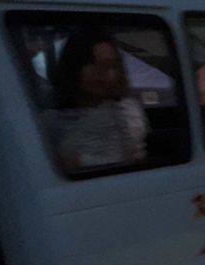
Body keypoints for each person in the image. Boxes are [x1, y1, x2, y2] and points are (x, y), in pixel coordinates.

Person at [46, 29, 148, 173]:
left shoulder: (127, 114)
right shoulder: (50, 121)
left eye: (109, 65)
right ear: (73, 67)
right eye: (90, 63)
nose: (100, 72)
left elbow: (126, 160)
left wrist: (78, 162)